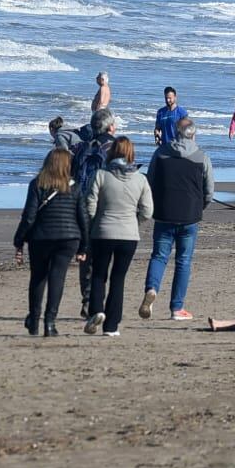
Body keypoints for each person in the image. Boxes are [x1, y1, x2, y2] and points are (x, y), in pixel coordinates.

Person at [140, 117, 214, 322]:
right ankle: (176, 307)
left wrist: (154, 203)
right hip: (189, 215)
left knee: (159, 256)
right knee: (183, 261)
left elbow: (150, 181)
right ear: (193, 134)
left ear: (176, 132)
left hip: (165, 212)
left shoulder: (161, 152)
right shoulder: (201, 156)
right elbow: (209, 190)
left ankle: (152, 288)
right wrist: (200, 207)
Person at [13, 148, 90, 338]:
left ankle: (34, 320)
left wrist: (19, 240)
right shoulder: (75, 187)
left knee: (38, 278)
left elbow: (29, 217)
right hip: (68, 239)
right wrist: (83, 246)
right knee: (57, 278)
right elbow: (83, 219)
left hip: (41, 238)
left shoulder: (37, 184)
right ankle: (50, 322)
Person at [84, 136, 153, 337]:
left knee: (98, 274)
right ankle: (112, 326)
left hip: (103, 231)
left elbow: (90, 204)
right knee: (118, 278)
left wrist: (95, 222)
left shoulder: (101, 175)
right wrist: (134, 222)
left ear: (112, 152)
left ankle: (97, 311)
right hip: (128, 235)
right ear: (131, 154)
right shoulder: (140, 179)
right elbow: (147, 210)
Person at [72, 108, 117, 318]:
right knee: (104, 258)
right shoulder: (115, 148)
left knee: (86, 256)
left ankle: (87, 298)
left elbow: (72, 178)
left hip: (82, 207)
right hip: (106, 207)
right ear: (111, 127)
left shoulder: (82, 148)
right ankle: (97, 301)